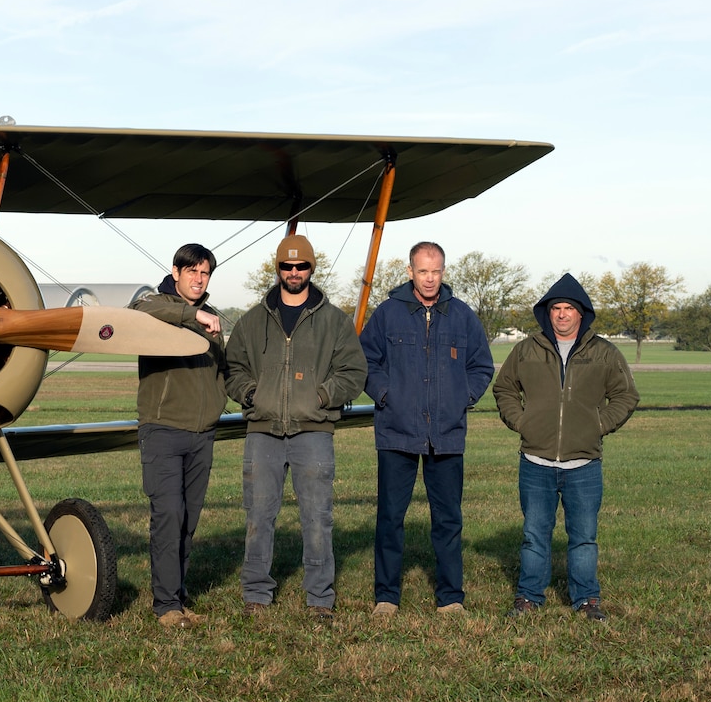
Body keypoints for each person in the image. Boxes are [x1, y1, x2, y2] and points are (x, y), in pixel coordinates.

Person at [226, 234, 367, 622]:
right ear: (278, 269)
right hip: (262, 431)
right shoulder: (254, 320)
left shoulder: (334, 320)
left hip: (314, 433)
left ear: (311, 269)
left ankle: (320, 598)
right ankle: (256, 592)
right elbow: (232, 367)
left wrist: (323, 396)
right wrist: (252, 394)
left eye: (300, 266)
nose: (293, 272)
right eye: (287, 266)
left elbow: (354, 371)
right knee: (258, 516)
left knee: (317, 518)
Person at [492, 274, 640, 620]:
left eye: (568, 309)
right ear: (547, 313)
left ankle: (587, 599)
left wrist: (598, 425)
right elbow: (504, 389)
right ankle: (529, 597)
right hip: (535, 461)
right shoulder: (527, 349)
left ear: (581, 313)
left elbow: (625, 395)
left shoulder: (603, 352)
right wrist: (523, 422)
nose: (561, 314)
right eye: (556, 308)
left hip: (584, 463)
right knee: (534, 534)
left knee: (584, 537)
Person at [359, 242, 494, 617]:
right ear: (409, 272)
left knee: (448, 519)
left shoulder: (463, 316)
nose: (430, 278)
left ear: (444, 272)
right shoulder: (387, 314)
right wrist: (386, 395)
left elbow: (482, 366)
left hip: (447, 434)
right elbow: (366, 361)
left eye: (435, 271)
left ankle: (450, 597)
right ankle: (386, 596)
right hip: (397, 432)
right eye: (422, 271)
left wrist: (461, 397)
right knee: (390, 518)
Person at [131, 244, 228, 628]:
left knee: (188, 520)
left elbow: (225, 371)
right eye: (192, 272)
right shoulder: (155, 307)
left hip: (202, 434)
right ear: (176, 272)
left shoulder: (213, 318)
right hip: (163, 431)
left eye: (205, 274)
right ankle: (166, 606)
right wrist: (193, 314)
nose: (198, 279)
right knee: (168, 515)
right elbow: (137, 312)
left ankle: (179, 596)